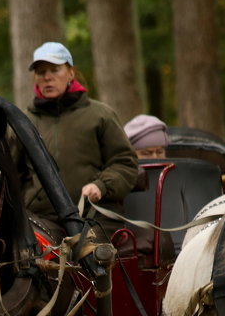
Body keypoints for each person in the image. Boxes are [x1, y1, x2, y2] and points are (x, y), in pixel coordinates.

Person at [21, 41, 141, 222]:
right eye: (41, 72)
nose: (47, 77)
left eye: (54, 70)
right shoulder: (22, 122)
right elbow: (9, 173)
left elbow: (125, 163)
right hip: (38, 219)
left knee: (89, 250)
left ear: (71, 73)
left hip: (94, 216)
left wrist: (101, 186)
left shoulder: (101, 115)